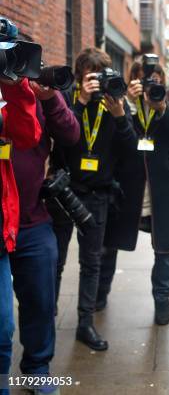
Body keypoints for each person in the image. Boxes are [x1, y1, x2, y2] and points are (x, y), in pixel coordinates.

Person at [50, 48, 136, 351]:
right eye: (91, 77)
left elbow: (130, 150)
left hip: (98, 195)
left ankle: (85, 323)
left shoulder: (113, 103)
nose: (97, 83)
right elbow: (62, 136)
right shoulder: (68, 99)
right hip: (64, 192)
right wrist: (81, 101)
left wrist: (120, 116)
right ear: (79, 76)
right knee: (55, 261)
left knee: (91, 263)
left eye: (102, 75)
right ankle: (48, 317)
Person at [96, 59, 169, 325]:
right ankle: (99, 294)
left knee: (164, 248)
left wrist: (162, 108)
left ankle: (162, 301)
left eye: (155, 77)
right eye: (142, 78)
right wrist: (125, 107)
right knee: (110, 243)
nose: (151, 83)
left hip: (163, 187)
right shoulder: (122, 101)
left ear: (162, 78)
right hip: (129, 186)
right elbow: (120, 143)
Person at [10, 79, 79, 394]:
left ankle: (37, 367)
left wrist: (50, 98)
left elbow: (70, 134)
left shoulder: (36, 93)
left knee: (40, 297)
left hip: (33, 218)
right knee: (1, 321)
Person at [0, 77, 41, 395]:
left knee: (4, 328)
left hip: (10, 223)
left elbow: (27, 135)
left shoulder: (10, 92)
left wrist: (14, 86)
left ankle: (35, 372)